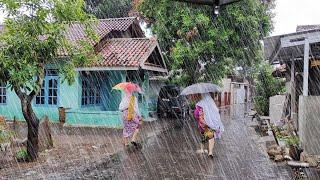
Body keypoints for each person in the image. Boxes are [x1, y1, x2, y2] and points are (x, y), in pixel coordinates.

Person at [192, 93, 224, 158]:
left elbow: (196, 114)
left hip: (203, 125)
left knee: (204, 136)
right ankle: (210, 152)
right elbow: (216, 114)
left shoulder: (200, 104)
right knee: (211, 137)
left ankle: (202, 149)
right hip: (211, 124)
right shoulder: (212, 105)